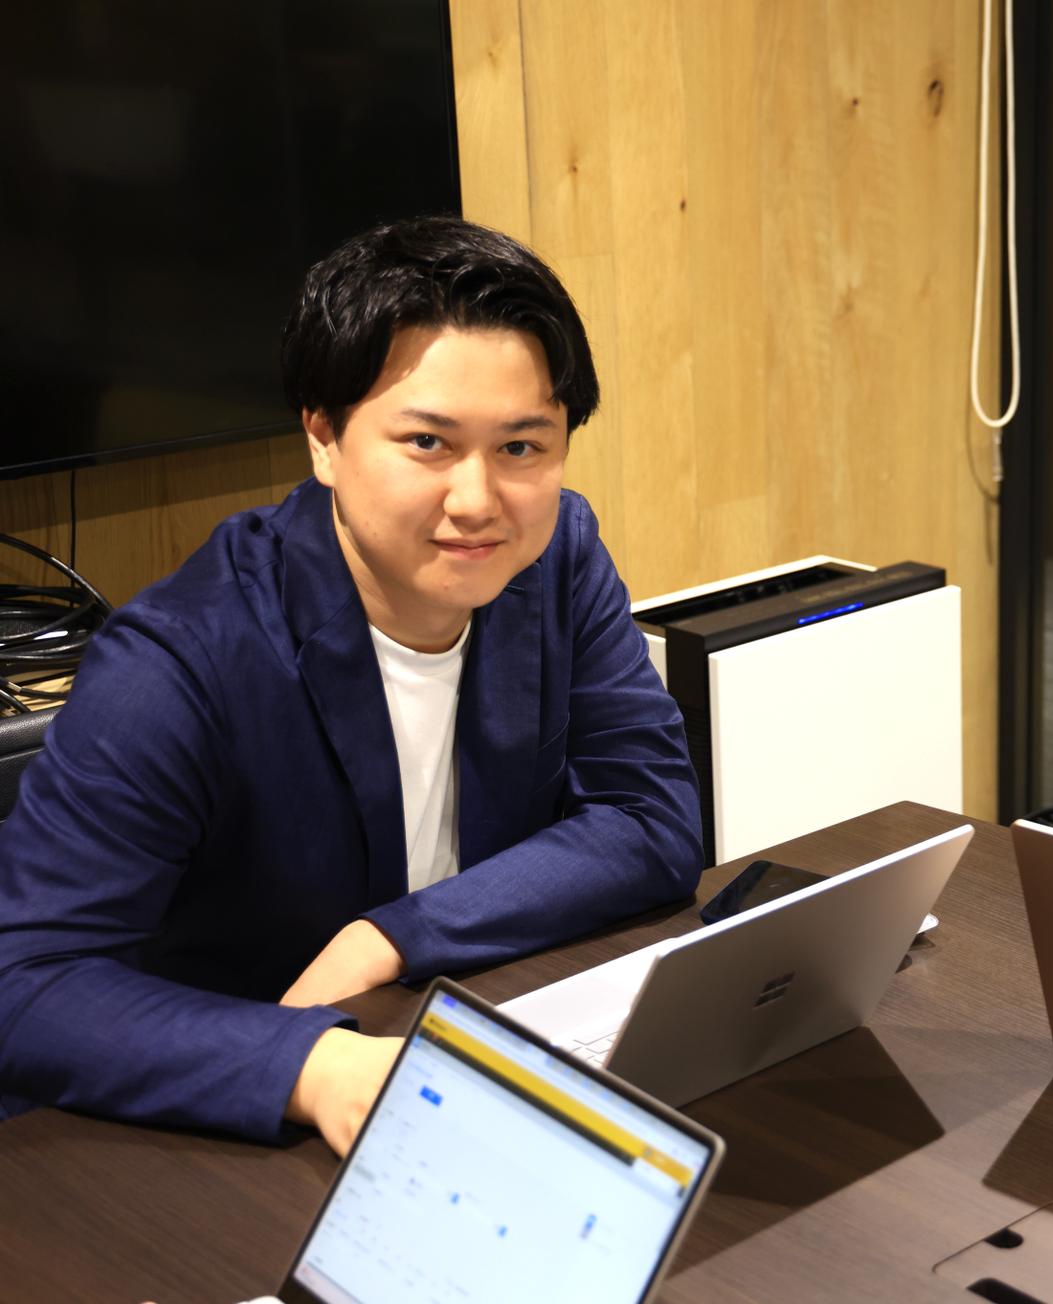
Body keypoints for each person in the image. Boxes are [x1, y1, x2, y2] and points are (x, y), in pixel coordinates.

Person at [0, 216, 704, 1151]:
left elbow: (650, 819)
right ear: (324, 438)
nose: (477, 502)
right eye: (428, 442)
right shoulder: (179, 661)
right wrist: (310, 1065)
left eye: (521, 448)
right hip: (210, 1135)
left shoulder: (558, 557)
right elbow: (27, 983)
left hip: (447, 1054)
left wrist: (394, 936)